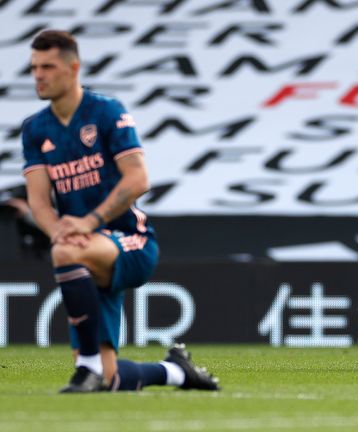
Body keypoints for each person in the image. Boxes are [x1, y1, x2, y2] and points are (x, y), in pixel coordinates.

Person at [21, 29, 219, 393]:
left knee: (64, 253)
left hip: (131, 242)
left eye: (47, 66)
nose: (38, 75)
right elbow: (38, 202)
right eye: (34, 67)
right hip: (84, 250)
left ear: (73, 68)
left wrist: (88, 222)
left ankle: (85, 366)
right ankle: (176, 371)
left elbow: (138, 179)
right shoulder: (35, 129)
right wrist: (61, 231)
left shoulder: (107, 112)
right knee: (112, 380)